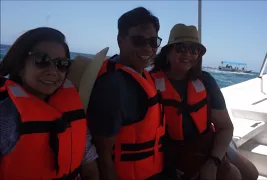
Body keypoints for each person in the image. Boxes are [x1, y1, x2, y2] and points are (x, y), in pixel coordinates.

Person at [0, 27, 99, 180]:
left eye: (62, 64)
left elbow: (89, 166)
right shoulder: (5, 118)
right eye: (41, 60)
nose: (53, 71)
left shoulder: (71, 114)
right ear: (19, 65)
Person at [150, 23, 238, 180]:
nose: (188, 54)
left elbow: (225, 127)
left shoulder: (206, 82)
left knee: (248, 174)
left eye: (194, 49)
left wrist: (213, 162)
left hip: (206, 148)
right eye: (181, 48)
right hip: (169, 155)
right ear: (168, 52)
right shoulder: (150, 83)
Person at [86, 7, 165, 180]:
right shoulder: (114, 87)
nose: (147, 48)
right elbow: (104, 156)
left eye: (153, 42)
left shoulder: (142, 74)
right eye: (138, 41)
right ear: (120, 41)